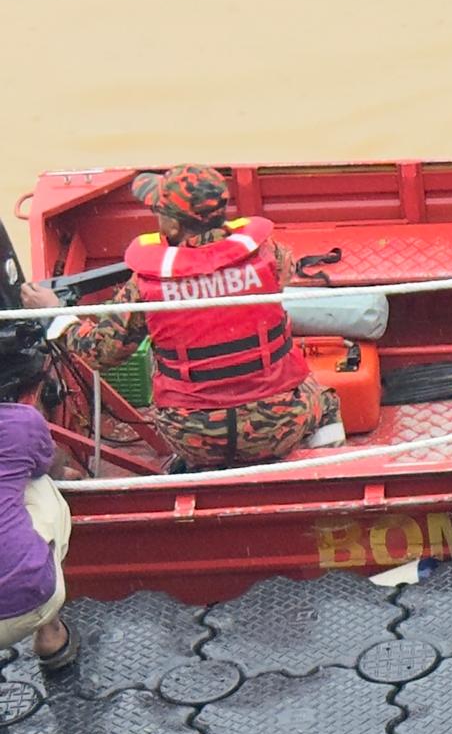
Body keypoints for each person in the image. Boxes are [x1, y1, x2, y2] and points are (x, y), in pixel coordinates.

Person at [36, 165, 342, 470]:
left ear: (171, 225)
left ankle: (192, 469)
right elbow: (282, 275)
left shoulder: (146, 285)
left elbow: (100, 354)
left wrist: (58, 316)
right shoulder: (270, 255)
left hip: (194, 437)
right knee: (327, 401)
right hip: (277, 426)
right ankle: (331, 472)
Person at [0, 324, 76, 671]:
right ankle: (50, 634)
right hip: (27, 602)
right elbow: (54, 466)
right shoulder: (18, 422)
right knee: (39, 484)